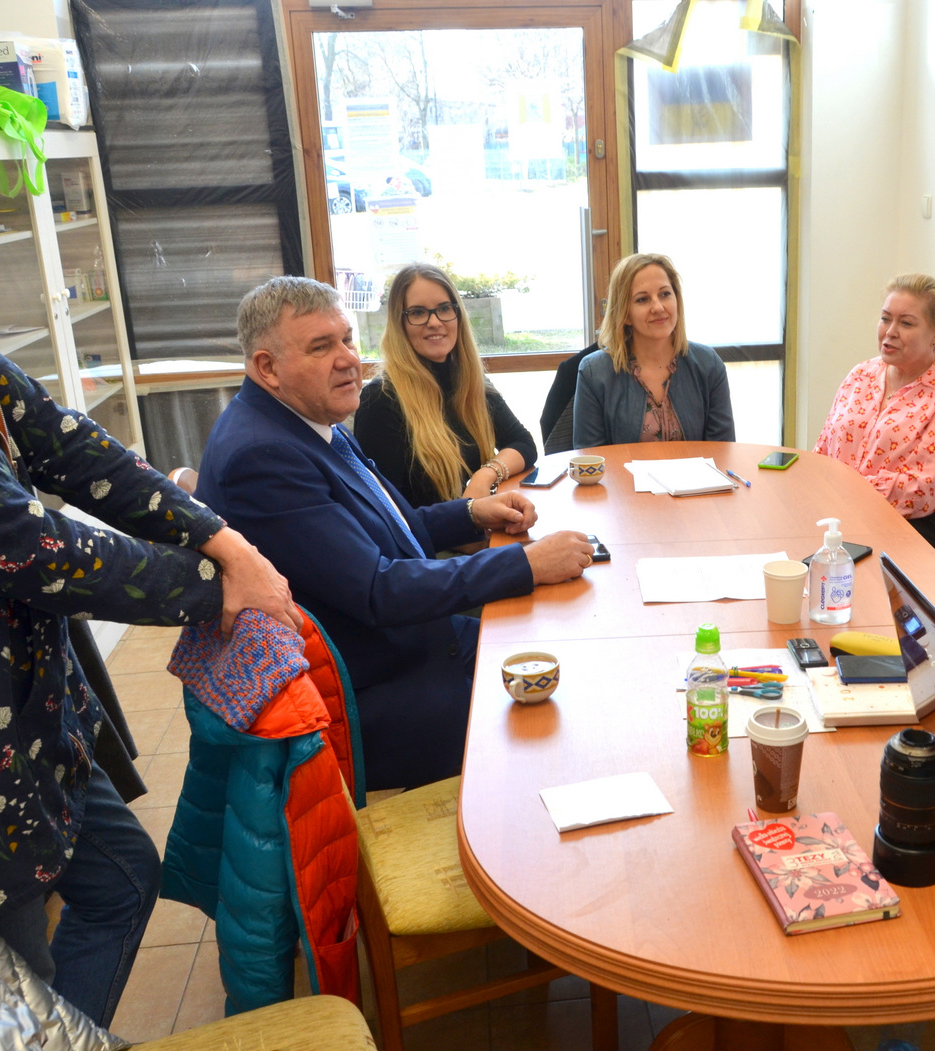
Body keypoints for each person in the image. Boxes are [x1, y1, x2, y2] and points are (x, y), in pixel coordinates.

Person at [0, 65, 295, 1027]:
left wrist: (218, 537)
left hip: (23, 725)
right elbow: (34, 546)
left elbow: (59, 438)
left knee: (121, 878)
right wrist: (217, 590)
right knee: (4, 984)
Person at [196, 276, 595, 790]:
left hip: (415, 647)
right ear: (267, 368)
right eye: (322, 347)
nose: (348, 360)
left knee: (567, 643)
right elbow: (378, 589)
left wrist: (473, 512)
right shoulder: (262, 456)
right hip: (377, 695)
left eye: (346, 339)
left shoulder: (311, 420)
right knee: (562, 720)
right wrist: (525, 564)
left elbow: (398, 528)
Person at [813, 273, 935, 564]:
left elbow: (926, 489)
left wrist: (847, 495)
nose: (890, 331)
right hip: (845, 516)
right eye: (885, 319)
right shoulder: (861, 375)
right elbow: (824, 449)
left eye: (906, 323)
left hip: (919, 529)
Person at [353, 263, 538, 508]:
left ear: (457, 315)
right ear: (400, 323)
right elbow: (395, 517)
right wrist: (470, 514)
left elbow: (523, 443)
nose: (435, 322)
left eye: (444, 308)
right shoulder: (379, 400)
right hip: (439, 544)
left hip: (482, 529)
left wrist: (486, 474)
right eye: (418, 313)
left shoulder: (471, 380)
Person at [572, 252, 735, 447]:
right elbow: (591, 460)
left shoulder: (708, 364)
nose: (658, 307)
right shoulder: (595, 372)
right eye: (642, 299)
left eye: (665, 294)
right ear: (625, 314)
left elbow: (723, 451)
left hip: (700, 478)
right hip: (622, 478)